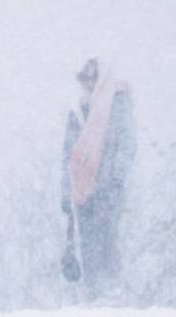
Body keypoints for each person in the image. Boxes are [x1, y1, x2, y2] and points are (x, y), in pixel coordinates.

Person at [61, 57, 137, 298]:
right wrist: (65, 192)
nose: (88, 85)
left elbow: (126, 144)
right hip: (82, 188)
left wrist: (116, 178)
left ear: (101, 79)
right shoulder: (78, 110)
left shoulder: (118, 104)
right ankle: (94, 291)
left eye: (91, 79)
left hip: (107, 187)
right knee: (88, 241)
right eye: (85, 80)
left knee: (107, 237)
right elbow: (68, 155)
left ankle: (112, 289)